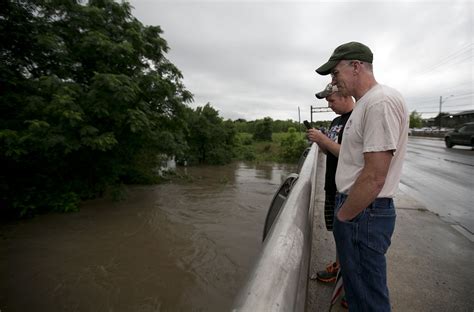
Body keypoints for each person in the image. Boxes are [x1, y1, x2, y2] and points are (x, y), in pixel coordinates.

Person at [315, 42, 409, 312]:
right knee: (358, 294)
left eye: (335, 74)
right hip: (362, 212)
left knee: (368, 300)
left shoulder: (380, 101)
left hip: (363, 214)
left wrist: (345, 216)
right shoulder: (367, 104)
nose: (334, 82)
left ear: (355, 66)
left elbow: (375, 176)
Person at [307, 83, 354, 287]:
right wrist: (321, 142)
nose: (329, 105)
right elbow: (331, 151)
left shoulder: (356, 119)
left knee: (349, 238)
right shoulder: (336, 121)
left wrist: (323, 140)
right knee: (337, 232)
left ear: (344, 96)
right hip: (331, 185)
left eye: (331, 100)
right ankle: (339, 267)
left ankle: (348, 283)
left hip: (346, 190)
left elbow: (349, 154)